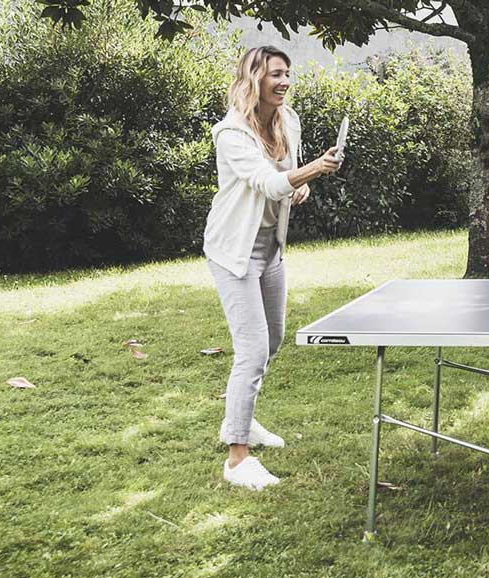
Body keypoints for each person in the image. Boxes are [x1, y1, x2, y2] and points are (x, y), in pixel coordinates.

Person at [205, 46, 342, 490]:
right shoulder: (231, 133)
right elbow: (265, 181)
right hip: (235, 251)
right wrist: (314, 170)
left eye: (287, 73)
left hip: (271, 247)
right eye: (275, 74)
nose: (284, 82)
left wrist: (300, 187)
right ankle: (237, 458)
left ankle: (241, 422)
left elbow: (284, 182)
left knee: (273, 339)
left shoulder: (289, 121)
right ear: (254, 79)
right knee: (252, 350)